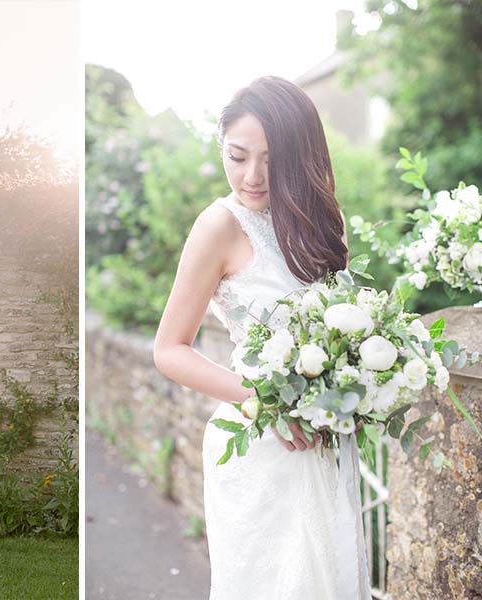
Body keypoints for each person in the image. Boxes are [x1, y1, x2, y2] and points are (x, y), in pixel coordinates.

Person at [153, 76, 371, 599]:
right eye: (237, 155)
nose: (252, 175)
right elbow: (169, 349)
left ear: (302, 155)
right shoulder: (219, 227)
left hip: (322, 444)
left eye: (271, 159)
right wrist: (265, 403)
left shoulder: (324, 221)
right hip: (260, 444)